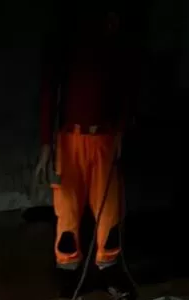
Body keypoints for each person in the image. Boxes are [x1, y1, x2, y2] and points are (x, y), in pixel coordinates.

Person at [35, 10, 130, 279]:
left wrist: (120, 132)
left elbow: (125, 91)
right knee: (67, 210)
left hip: (105, 138)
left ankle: (109, 269)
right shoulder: (64, 41)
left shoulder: (116, 46)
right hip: (68, 141)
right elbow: (48, 93)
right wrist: (46, 145)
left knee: (109, 209)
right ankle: (67, 273)